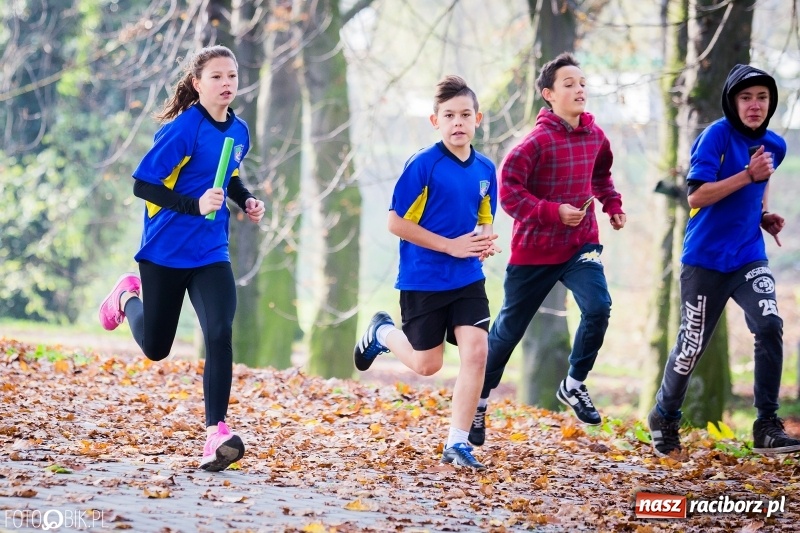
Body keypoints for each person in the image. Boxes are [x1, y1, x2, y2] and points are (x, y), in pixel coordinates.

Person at [98, 45, 265, 472]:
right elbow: (143, 184)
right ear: (197, 83)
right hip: (165, 251)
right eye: (216, 76)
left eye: (232, 76)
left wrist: (245, 199)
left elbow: (227, 175)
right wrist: (195, 205)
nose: (226, 83)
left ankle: (216, 434)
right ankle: (126, 297)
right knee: (156, 348)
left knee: (219, 331)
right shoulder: (184, 128)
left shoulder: (239, 131)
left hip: (210, 251)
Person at [468, 52, 626, 447]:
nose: (579, 90)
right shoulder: (533, 143)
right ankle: (478, 403)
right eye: (569, 84)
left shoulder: (596, 137)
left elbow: (601, 177)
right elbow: (508, 194)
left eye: (582, 83)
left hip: (580, 245)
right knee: (508, 332)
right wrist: (553, 212)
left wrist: (612, 206)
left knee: (599, 307)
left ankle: (574, 383)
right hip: (535, 251)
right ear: (549, 94)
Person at [647, 64, 799, 456]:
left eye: (762, 97)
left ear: (771, 102)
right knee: (691, 345)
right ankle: (664, 415)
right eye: (746, 98)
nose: (754, 105)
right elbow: (696, 195)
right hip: (705, 260)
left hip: (748, 256)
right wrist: (747, 175)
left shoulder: (776, 144)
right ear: (733, 102)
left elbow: (762, 181)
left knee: (769, 324)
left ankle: (766, 425)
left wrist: (763, 215)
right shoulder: (715, 136)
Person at [353, 75, 500, 470]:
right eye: (449, 115)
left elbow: (484, 214)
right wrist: (451, 245)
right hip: (423, 279)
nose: (458, 122)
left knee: (477, 352)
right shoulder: (423, 165)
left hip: (468, 278)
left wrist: (484, 240)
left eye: (465, 115)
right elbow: (395, 222)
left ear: (477, 119)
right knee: (427, 365)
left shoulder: (486, 168)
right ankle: (381, 332)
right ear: (435, 121)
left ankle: (457, 444)